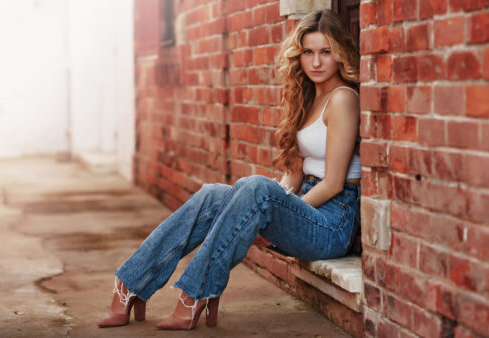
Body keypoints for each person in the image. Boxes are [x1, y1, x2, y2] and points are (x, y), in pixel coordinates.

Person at [98, 9, 361, 331]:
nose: (316, 62)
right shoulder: (305, 99)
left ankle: (193, 296)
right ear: (299, 56)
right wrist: (263, 208)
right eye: (308, 52)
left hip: (332, 223)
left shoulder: (343, 99)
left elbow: (334, 184)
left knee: (256, 188)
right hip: (307, 205)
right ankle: (129, 286)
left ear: (340, 54)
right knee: (214, 194)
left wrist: (275, 211)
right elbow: (293, 177)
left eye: (326, 52)